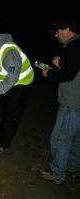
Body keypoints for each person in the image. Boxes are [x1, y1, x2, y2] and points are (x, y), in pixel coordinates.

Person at [37, 16, 80, 185]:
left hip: (72, 102)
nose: (56, 35)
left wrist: (49, 73)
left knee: (60, 138)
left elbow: (67, 75)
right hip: (77, 102)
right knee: (75, 138)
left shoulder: (74, 47)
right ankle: (74, 168)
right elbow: (74, 70)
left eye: (58, 31)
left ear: (67, 29)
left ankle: (56, 172)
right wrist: (61, 64)